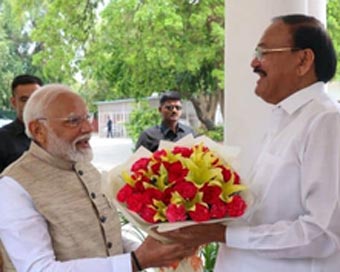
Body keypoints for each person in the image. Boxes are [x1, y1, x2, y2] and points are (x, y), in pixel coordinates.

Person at [162, 14, 340, 272]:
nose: (254, 63)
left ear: (303, 60)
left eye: (264, 52)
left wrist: (224, 234)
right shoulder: (286, 119)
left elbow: (323, 233)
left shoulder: (326, 122)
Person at [0, 84, 196, 272]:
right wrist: (137, 261)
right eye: (73, 121)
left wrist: (159, 251)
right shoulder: (13, 187)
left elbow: (107, 239)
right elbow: (40, 269)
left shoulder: (85, 167)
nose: (88, 128)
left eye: (87, 117)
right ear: (38, 130)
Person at [0, 74, 43, 173]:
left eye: (35, 98)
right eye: (24, 99)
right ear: (14, 102)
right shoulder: (2, 139)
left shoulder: (56, 136)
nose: (31, 104)